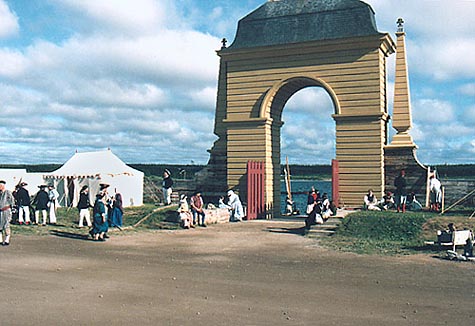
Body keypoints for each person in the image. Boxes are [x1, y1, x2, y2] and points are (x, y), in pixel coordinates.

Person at [0, 180, 14, 246]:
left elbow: (12, 200)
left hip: (6, 211)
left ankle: (7, 240)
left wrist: (13, 208)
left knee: (6, 225)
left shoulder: (7, 192)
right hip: (0, 211)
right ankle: (0, 240)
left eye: (1, 185)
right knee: (0, 225)